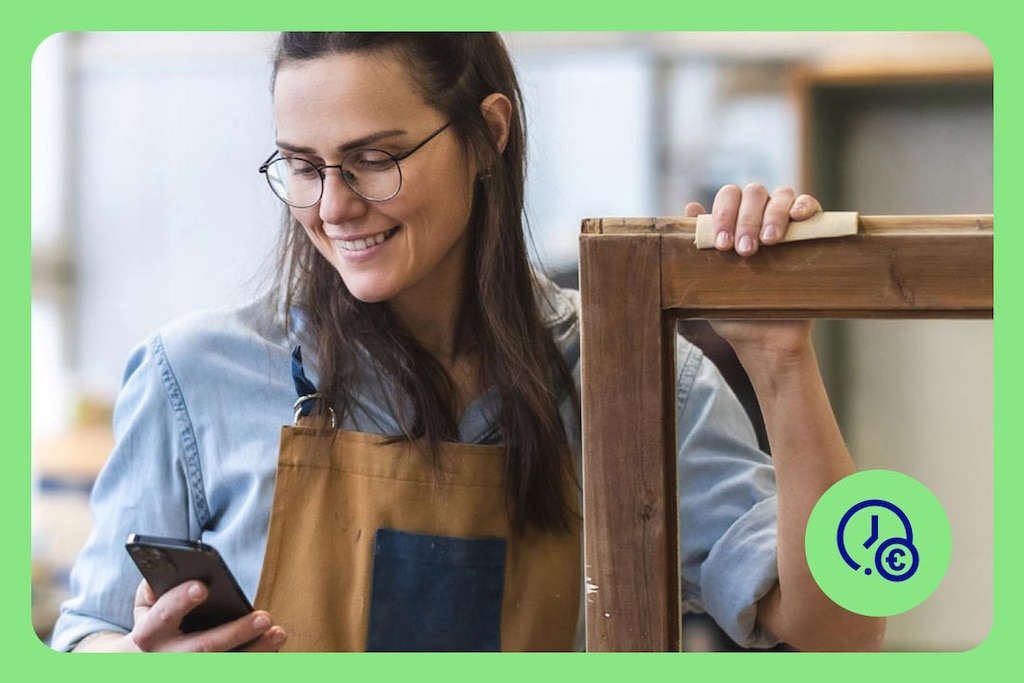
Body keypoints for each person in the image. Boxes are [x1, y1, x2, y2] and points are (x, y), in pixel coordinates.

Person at [51, 32, 884, 653]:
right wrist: (131, 661)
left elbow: (840, 628)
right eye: (303, 166)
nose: (333, 207)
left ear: (489, 134)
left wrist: (780, 360)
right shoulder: (191, 377)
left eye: (374, 159)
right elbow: (80, 636)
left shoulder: (634, 378)